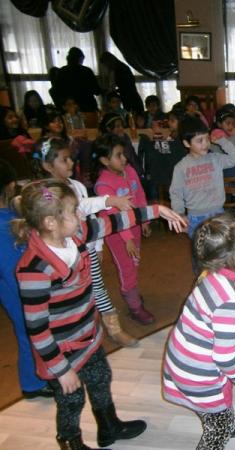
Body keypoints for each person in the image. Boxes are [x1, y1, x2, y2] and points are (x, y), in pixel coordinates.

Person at [14, 179, 185, 449]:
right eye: (73, 211)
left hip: (89, 335)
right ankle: (72, 443)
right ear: (50, 222)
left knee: (101, 379)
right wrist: (61, 370)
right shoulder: (34, 269)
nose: (80, 215)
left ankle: (109, 428)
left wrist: (156, 210)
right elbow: (37, 328)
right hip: (61, 352)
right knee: (71, 401)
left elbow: (114, 222)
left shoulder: (76, 234)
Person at [163, 214, 235, 450]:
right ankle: (221, 425)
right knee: (217, 430)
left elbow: (210, 315)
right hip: (198, 373)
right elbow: (225, 358)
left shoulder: (209, 275)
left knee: (216, 410)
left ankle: (220, 419)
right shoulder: (233, 300)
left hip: (183, 357)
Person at [38, 137, 138, 347]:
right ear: (47, 166)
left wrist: (97, 245)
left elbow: (91, 217)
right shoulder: (45, 193)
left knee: (98, 287)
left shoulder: (76, 185)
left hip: (86, 248)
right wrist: (109, 200)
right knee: (71, 294)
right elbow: (81, 206)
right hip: (63, 255)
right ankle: (77, 335)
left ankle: (114, 329)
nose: (71, 163)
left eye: (70, 158)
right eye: (64, 160)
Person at [0, 159, 54, 399]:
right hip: (18, 289)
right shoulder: (3, 226)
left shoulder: (9, 214)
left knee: (32, 331)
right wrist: (33, 297)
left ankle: (38, 377)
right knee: (29, 331)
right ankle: (32, 384)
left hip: (23, 285)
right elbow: (11, 270)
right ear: (10, 186)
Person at [93, 134, 155, 325]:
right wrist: (127, 239)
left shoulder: (130, 171)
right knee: (126, 267)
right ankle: (134, 306)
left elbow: (140, 195)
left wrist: (144, 221)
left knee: (134, 262)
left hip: (134, 226)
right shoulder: (103, 184)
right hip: (118, 234)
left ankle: (131, 291)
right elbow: (113, 215)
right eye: (118, 155)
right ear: (105, 160)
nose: (124, 158)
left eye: (124, 154)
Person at [169, 116, 235, 242]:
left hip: (218, 213)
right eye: (200, 140)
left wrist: (222, 141)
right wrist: (180, 214)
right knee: (201, 250)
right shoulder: (181, 167)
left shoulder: (215, 159)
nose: (206, 144)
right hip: (195, 218)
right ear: (187, 143)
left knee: (221, 246)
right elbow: (176, 193)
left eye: (207, 138)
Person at [139, 106, 187, 202]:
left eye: (172, 121)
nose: (169, 123)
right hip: (167, 172)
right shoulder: (172, 134)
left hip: (174, 174)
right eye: (169, 120)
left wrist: (156, 134)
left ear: (181, 122)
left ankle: (156, 198)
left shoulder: (183, 138)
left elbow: (162, 148)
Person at [55, 47, 102, 113]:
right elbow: (96, 90)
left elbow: (58, 92)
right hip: (88, 106)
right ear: (80, 58)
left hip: (70, 107)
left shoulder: (61, 72)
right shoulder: (86, 71)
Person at [98, 112, 143, 178]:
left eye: (122, 126)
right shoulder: (106, 145)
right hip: (115, 176)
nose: (121, 128)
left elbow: (133, 158)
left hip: (132, 173)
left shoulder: (124, 138)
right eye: (117, 126)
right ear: (108, 128)